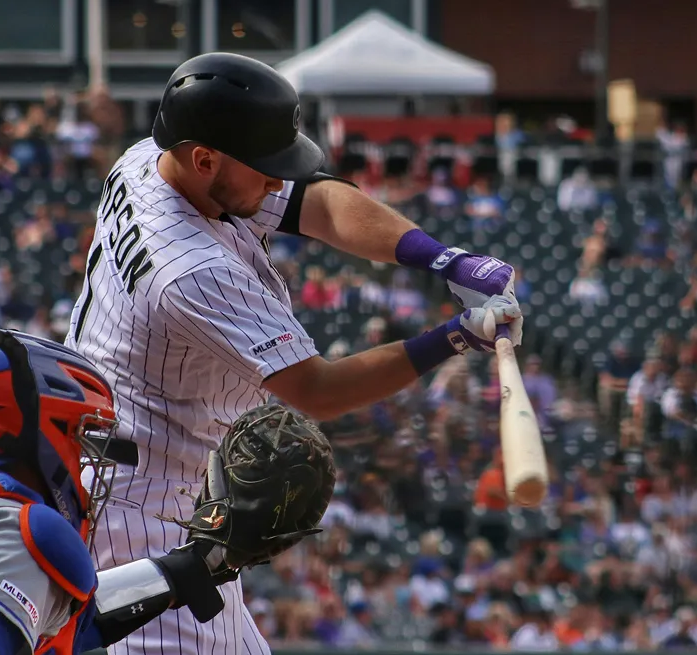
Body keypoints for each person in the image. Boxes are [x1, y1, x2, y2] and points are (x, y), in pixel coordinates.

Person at [66, 52, 524, 655]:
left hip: (123, 478)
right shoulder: (189, 268)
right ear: (205, 159)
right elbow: (319, 391)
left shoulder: (151, 161)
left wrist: (443, 259)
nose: (278, 181)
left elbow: (320, 203)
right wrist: (454, 338)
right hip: (140, 510)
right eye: (265, 167)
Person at [0, 330, 234, 654]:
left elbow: (67, 623)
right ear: (40, 435)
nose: (85, 462)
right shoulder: (12, 531)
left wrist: (191, 568)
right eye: (80, 438)